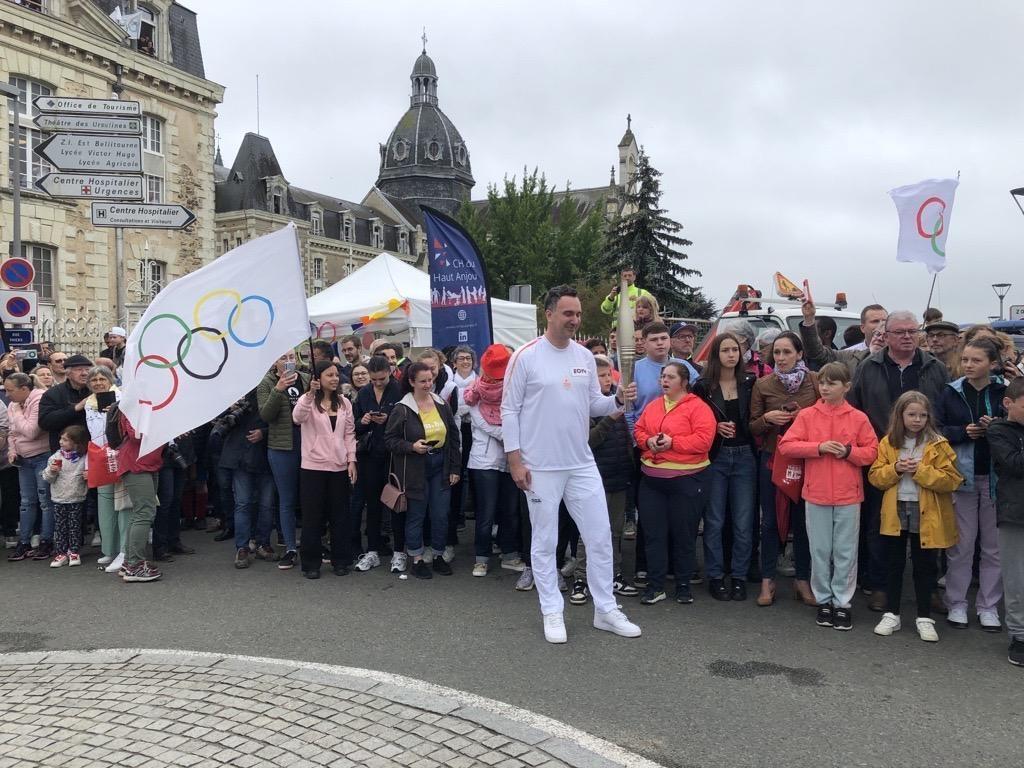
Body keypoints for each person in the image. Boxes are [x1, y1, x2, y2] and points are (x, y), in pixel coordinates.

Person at [502, 284, 641, 644]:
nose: (574, 320)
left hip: (581, 463)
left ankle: (605, 610)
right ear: (548, 314)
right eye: (568, 313)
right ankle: (552, 610)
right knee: (545, 542)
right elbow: (509, 411)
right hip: (540, 466)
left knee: (599, 537)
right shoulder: (526, 356)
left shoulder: (583, 358)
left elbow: (595, 403)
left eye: (577, 314)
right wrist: (515, 460)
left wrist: (617, 402)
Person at [849, 310, 950, 611]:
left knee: (928, 525)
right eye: (900, 332)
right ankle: (881, 586)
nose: (907, 336)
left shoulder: (936, 367)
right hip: (883, 456)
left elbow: (944, 409)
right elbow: (856, 409)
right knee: (880, 524)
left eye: (912, 331)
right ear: (887, 335)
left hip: (926, 454)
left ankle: (928, 588)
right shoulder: (869, 367)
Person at [777, 362, 878, 630]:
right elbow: (787, 445)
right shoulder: (808, 415)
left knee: (845, 551)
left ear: (846, 387)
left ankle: (842, 602)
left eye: (832, 383)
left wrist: (849, 453)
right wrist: (818, 447)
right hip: (816, 493)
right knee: (819, 550)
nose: (825, 387)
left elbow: (872, 451)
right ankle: (824, 599)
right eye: (822, 382)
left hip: (848, 495)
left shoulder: (858, 418)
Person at [869, 391, 962, 642]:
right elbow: (875, 477)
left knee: (925, 565)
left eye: (922, 415)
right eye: (911, 414)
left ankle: (924, 617)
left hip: (926, 510)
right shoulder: (888, 442)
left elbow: (952, 480)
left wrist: (921, 471)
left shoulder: (938, 443)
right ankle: (892, 613)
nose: (917, 419)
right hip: (896, 508)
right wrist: (895, 468)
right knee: (894, 563)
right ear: (900, 416)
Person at [935, 337, 1006, 631]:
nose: (968, 365)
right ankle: (957, 603)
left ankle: (988, 606)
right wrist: (964, 431)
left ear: (992, 364)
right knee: (961, 546)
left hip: (995, 479)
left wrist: (996, 428)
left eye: (976, 360)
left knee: (993, 548)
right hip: (960, 477)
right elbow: (936, 429)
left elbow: (1016, 428)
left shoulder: (1004, 392)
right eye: (965, 359)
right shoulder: (951, 392)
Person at [634, 362, 716, 605]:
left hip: (687, 480)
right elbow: (638, 431)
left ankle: (683, 585)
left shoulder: (698, 408)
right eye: (662, 377)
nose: (664, 381)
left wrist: (673, 443)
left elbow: (704, 441)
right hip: (652, 480)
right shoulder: (652, 406)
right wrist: (648, 441)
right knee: (654, 534)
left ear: (684, 381)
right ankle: (655, 585)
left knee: (684, 534)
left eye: (670, 377)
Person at [750, 331, 820, 607]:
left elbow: (828, 415)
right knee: (769, 522)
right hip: (771, 458)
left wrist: (808, 417)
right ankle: (768, 579)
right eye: (777, 353)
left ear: (800, 354)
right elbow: (752, 425)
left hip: (805, 460)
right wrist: (767, 418)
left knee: (803, 521)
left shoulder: (814, 382)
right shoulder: (763, 384)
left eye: (787, 352)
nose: (781, 358)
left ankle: (802, 579)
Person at [692, 332, 757, 601]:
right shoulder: (702, 386)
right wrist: (714, 426)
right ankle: (716, 576)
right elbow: (693, 420)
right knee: (715, 520)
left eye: (735, 350)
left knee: (743, 522)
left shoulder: (750, 383)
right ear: (716, 354)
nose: (731, 354)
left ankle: (739, 577)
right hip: (716, 456)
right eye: (726, 350)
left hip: (745, 457)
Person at [568, 354, 637, 602]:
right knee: (590, 532)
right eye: (600, 376)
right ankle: (580, 579)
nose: (607, 380)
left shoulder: (615, 402)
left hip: (619, 477)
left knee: (615, 531)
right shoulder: (586, 408)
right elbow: (588, 441)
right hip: (594, 478)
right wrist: (609, 419)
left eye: (609, 375)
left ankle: (613, 575)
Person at [384, 361, 461, 579]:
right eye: (423, 381)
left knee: (440, 515)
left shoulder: (441, 403)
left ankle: (437, 555)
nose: (428, 385)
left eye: (431, 380)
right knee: (416, 515)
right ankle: (417, 559)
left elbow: (453, 437)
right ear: (411, 382)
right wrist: (411, 447)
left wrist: (455, 467)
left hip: (440, 465)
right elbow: (389, 440)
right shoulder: (402, 408)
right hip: (415, 468)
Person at [293, 361, 357, 579]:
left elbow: (349, 433)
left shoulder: (344, 403)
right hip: (313, 466)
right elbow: (297, 418)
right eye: (329, 375)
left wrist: (351, 460)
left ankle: (341, 560)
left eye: (336, 374)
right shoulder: (307, 401)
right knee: (313, 517)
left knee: (340, 515)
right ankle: (311, 563)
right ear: (317, 378)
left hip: (339, 466)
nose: (334, 378)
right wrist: (310, 394)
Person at [464, 344, 523, 577]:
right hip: (484, 461)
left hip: (511, 460)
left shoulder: (514, 390)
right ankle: (481, 557)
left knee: (510, 510)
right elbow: (481, 423)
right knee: (486, 512)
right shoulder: (475, 390)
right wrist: (511, 438)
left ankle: (509, 553)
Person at [258, 349, 309, 571]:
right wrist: (278, 389)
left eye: (291, 358)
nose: (288, 362)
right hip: (281, 448)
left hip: (309, 445)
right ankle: (290, 547)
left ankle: (312, 542)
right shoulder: (266, 383)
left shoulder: (307, 379)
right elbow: (266, 416)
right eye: (282, 358)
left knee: (310, 497)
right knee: (286, 499)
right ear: (274, 362)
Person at [353, 354, 402, 572]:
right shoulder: (363, 393)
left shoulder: (400, 390)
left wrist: (389, 418)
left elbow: (410, 422)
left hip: (394, 455)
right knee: (371, 503)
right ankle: (372, 549)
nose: (378, 383)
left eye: (381, 379)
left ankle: (399, 550)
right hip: (370, 454)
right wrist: (363, 421)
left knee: (396, 502)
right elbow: (353, 426)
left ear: (390, 372)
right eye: (374, 380)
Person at [987, 377, 1024, 665]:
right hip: (1015, 512)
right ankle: (1019, 634)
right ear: (1009, 404)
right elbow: (1014, 465)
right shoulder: (999, 430)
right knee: (1016, 577)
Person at [5, 373, 53, 562]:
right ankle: (24, 542)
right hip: (22, 459)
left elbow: (32, 431)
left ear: (24, 389)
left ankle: (46, 541)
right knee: (26, 502)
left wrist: (17, 415)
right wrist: (12, 449)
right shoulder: (12, 404)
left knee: (45, 501)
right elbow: (11, 433)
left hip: (41, 456)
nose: (8, 395)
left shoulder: (39, 400)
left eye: (10, 390)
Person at [115, 409, 166, 583]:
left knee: (140, 513)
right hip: (136, 463)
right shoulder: (135, 404)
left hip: (147, 462)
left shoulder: (150, 404)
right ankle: (134, 565)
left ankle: (130, 562)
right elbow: (136, 434)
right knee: (145, 512)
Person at [83, 366, 124, 570]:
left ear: (110, 380)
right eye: (94, 380)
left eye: (102, 379)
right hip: (99, 455)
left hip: (120, 453)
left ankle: (125, 549)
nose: (98, 383)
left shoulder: (122, 398)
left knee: (123, 504)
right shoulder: (89, 404)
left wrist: (114, 413)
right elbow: (93, 433)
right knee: (105, 505)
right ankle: (109, 550)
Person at [42, 425, 89, 568]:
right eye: (61, 439)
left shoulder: (84, 458)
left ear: (76, 443)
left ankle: (74, 551)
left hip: (76, 497)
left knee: (75, 526)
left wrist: (88, 476)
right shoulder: (55, 457)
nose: (61, 442)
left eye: (66, 440)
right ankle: (61, 553)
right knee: (60, 527)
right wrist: (52, 471)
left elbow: (89, 474)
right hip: (59, 498)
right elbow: (47, 478)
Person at [38, 354, 92, 452]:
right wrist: (75, 408)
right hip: (66, 453)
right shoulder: (53, 393)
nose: (84, 373)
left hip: (93, 449)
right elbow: (45, 422)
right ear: (68, 373)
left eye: (87, 370)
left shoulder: (95, 391)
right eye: (79, 370)